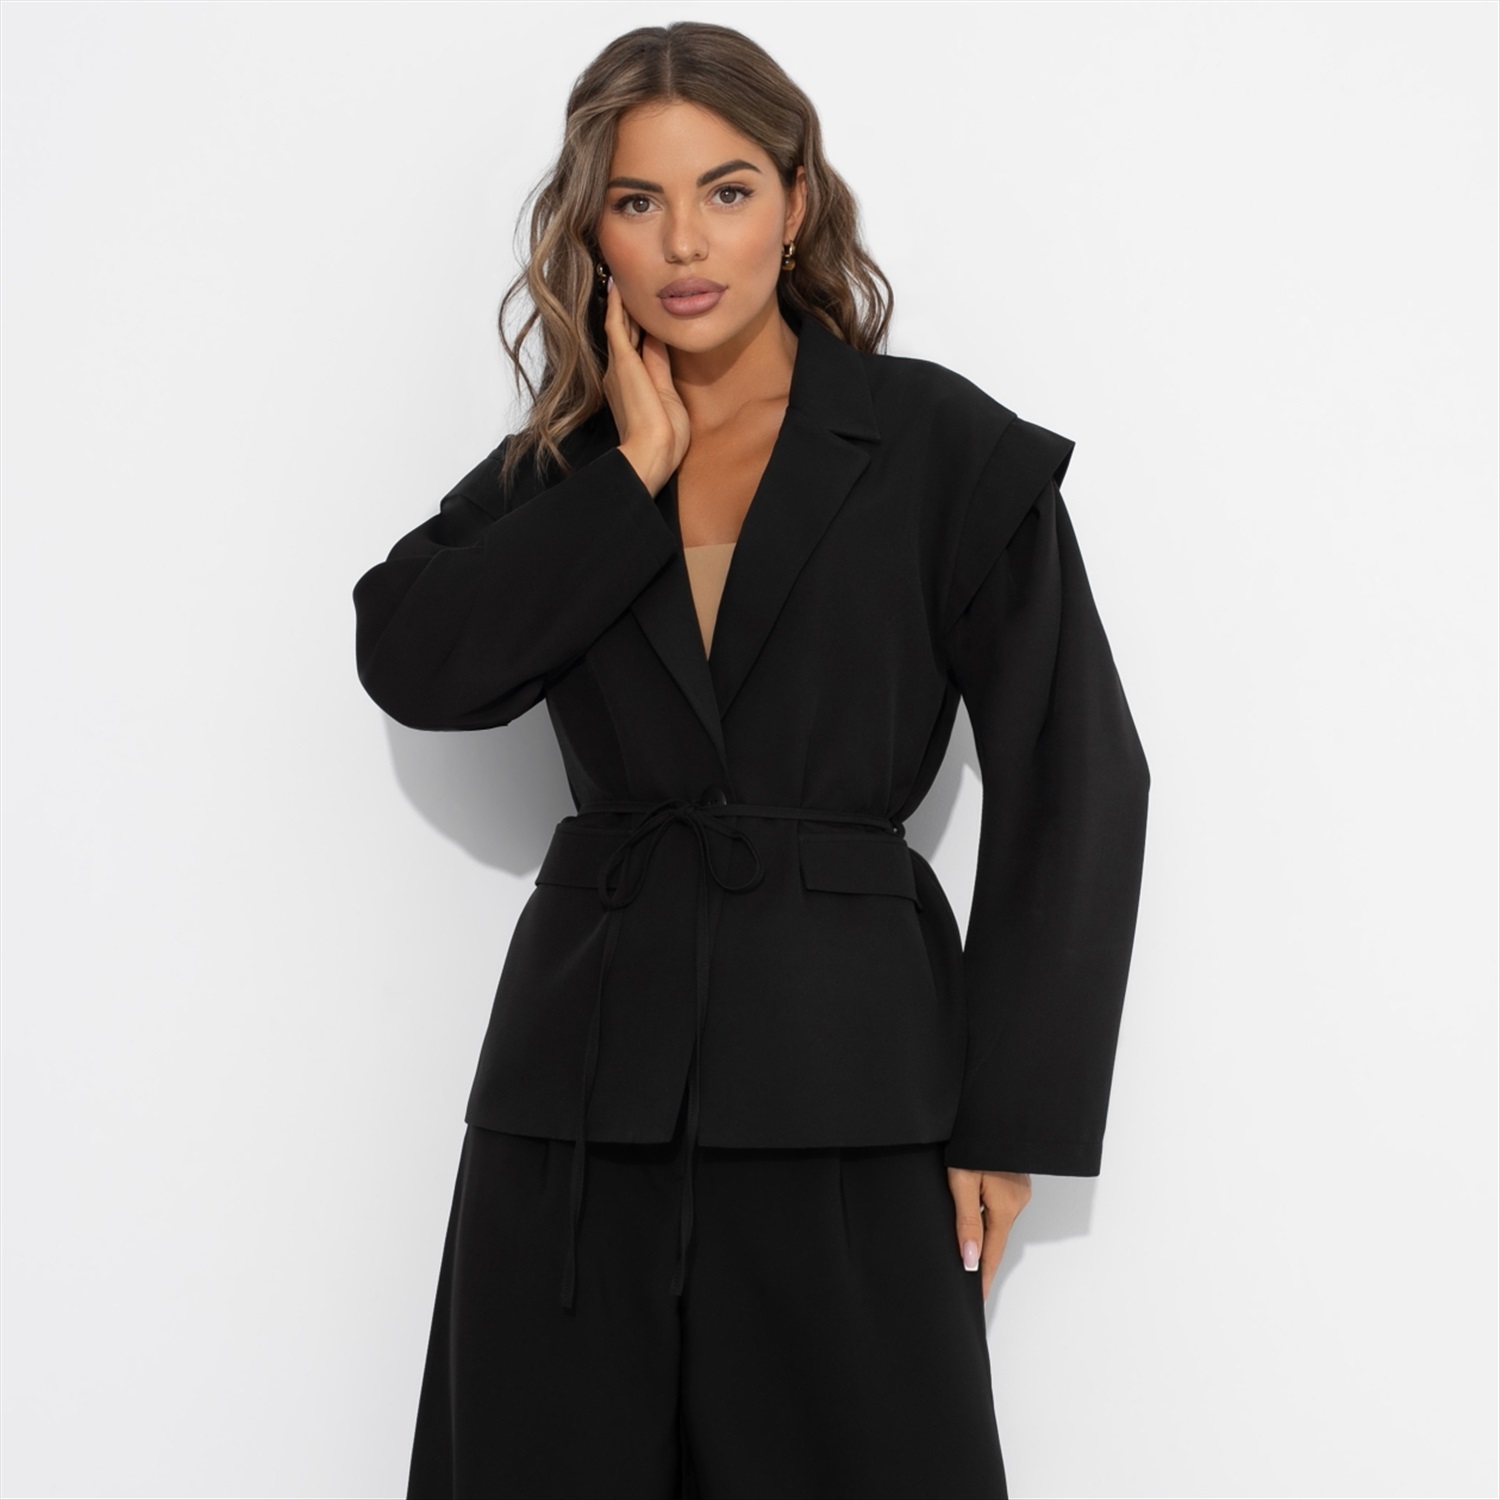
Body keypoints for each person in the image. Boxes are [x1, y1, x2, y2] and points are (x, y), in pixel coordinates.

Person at [352, 20, 1150, 1500]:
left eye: (725, 191)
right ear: (593, 229)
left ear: (795, 201)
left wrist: (1014, 1119)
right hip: (579, 1106)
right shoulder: (569, 467)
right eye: (637, 200)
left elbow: (1078, 773)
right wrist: (632, 480)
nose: (684, 242)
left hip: (852, 1091)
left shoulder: (936, 446)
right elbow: (413, 660)